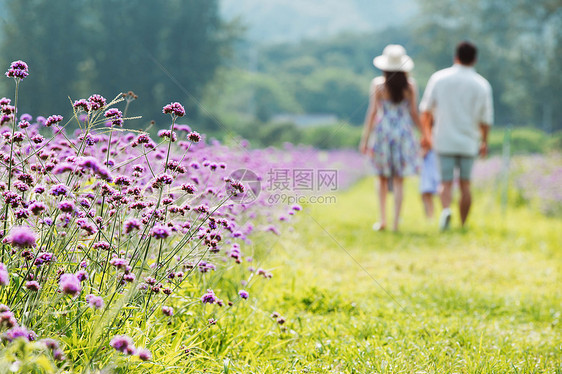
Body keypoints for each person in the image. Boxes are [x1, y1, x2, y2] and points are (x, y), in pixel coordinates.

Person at [419, 41, 493, 230]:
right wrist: (484, 141)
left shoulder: (439, 78)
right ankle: (463, 224)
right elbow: (485, 120)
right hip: (468, 141)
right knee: (466, 184)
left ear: (456, 57)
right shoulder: (482, 85)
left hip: (443, 139)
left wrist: (427, 135)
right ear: (475, 59)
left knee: (445, 182)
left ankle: (446, 210)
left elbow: (426, 112)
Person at [359, 44, 427, 232]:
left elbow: (372, 113)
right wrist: (425, 135)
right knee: (398, 180)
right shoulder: (410, 86)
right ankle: (396, 222)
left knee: (381, 178)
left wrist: (365, 140)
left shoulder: (378, 85)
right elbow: (414, 113)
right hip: (403, 133)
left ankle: (382, 220)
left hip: (383, 132)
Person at [420, 147, 440, 219]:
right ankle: (430, 216)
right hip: (431, 167)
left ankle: (430, 216)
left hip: (429, 170)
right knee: (426, 195)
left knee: (426, 194)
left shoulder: (427, 141)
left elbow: (422, 154)